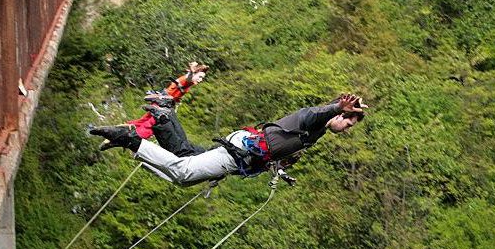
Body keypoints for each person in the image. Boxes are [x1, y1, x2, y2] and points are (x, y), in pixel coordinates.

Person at [90, 66, 367, 186]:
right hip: (240, 151)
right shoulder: (314, 118)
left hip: (242, 152)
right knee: (185, 173)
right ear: (342, 116)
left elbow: (281, 146)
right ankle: (132, 139)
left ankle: (163, 119)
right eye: (348, 124)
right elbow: (315, 113)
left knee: (184, 160)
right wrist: (336, 107)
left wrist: (280, 168)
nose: (346, 130)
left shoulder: (315, 133)